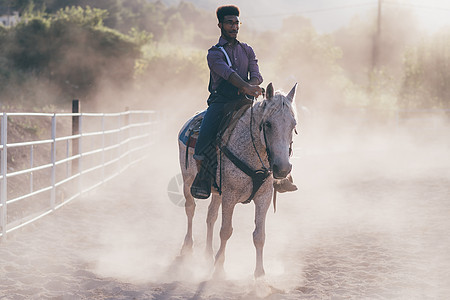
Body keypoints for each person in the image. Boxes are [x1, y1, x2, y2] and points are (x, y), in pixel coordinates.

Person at [190, 5, 297, 199]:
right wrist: (246, 87)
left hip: (246, 103)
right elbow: (227, 73)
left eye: (237, 22)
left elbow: (256, 74)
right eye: (230, 22)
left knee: (275, 126)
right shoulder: (214, 53)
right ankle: (203, 178)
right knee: (205, 136)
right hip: (221, 104)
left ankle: (282, 178)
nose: (234, 26)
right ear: (220, 24)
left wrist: (253, 85)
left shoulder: (247, 50)